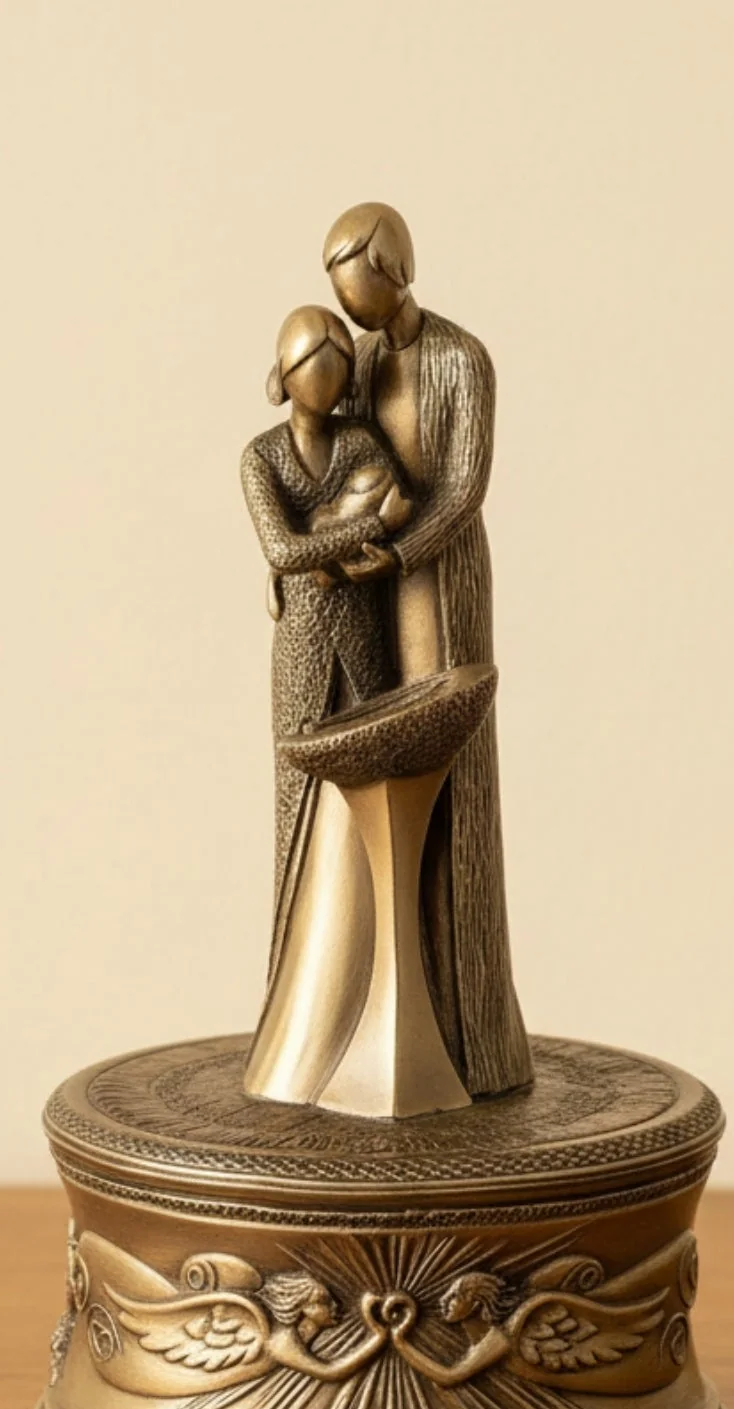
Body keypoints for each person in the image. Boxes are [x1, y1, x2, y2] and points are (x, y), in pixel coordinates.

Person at [322, 202, 533, 1098]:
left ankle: (471, 1039)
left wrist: (404, 552)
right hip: (377, 587)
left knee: (452, 786)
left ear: (396, 271)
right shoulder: (365, 363)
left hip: (439, 582)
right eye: (343, 301)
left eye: (360, 294)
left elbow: (464, 485)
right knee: (388, 783)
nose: (355, 316)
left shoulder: (460, 358)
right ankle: (379, 1022)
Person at [239, 304, 408, 1103]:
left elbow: (395, 517)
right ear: (286, 376)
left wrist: (320, 549)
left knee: (373, 802)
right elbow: (281, 548)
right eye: (315, 360)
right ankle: (292, 1012)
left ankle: (374, 1001)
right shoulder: (261, 457)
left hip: (364, 640)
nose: (331, 370)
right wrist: (348, 532)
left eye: (340, 358)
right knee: (298, 809)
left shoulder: (364, 442)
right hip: (304, 650)